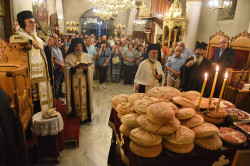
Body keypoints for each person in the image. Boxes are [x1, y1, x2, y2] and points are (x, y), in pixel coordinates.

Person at [16, 10, 53, 111]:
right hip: (31, 78)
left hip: (43, 75)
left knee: (43, 101)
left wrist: (48, 46)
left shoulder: (36, 37)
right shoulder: (20, 36)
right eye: (30, 22)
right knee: (35, 103)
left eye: (34, 22)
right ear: (23, 23)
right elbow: (13, 39)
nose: (34, 25)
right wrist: (30, 41)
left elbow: (44, 49)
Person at [64, 38, 94, 122]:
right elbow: (65, 68)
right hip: (73, 82)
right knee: (75, 97)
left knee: (85, 96)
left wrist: (87, 69)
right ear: (73, 46)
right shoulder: (69, 56)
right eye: (77, 46)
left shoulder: (86, 56)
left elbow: (91, 67)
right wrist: (72, 70)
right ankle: (75, 115)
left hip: (84, 80)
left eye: (81, 46)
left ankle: (85, 116)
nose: (79, 48)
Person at [52, 34, 64, 99]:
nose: (56, 40)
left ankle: (58, 99)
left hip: (60, 69)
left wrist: (62, 66)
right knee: (56, 86)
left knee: (59, 85)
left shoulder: (58, 49)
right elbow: (53, 60)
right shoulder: (51, 48)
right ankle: (56, 101)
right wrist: (61, 65)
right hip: (56, 69)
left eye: (57, 38)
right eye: (54, 38)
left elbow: (61, 58)